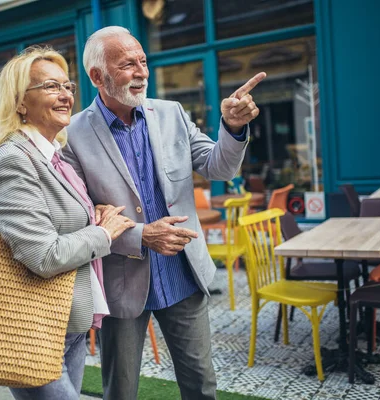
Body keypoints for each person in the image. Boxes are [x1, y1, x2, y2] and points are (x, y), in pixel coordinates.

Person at [63, 26, 265, 400]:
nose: (141, 72)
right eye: (127, 64)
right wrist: (142, 235)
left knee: (201, 384)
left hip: (183, 275)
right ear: (97, 76)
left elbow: (217, 166)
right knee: (120, 391)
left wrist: (234, 128)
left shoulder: (171, 113)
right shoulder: (72, 134)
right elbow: (80, 216)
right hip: (122, 283)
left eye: (143, 61)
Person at [0, 46, 136, 400]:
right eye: (50, 87)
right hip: (33, 330)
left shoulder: (51, 155)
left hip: (66, 322)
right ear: (19, 103)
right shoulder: (15, 159)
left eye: (68, 86)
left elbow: (55, 221)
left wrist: (94, 215)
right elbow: (43, 256)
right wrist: (103, 232)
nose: (65, 96)